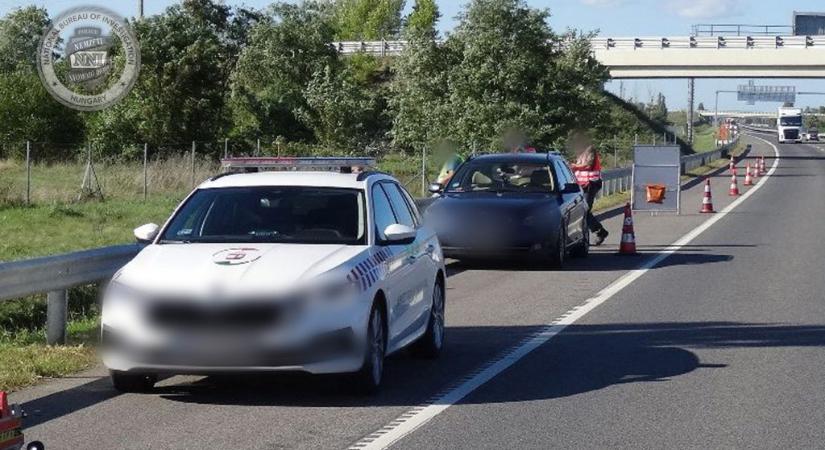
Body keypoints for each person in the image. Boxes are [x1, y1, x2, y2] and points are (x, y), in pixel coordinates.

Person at [569, 134, 610, 246]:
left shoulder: (590, 150)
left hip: (590, 184)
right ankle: (600, 232)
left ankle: (592, 234)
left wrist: (574, 166)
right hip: (581, 185)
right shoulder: (580, 153)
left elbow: (587, 165)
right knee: (582, 211)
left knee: (584, 210)